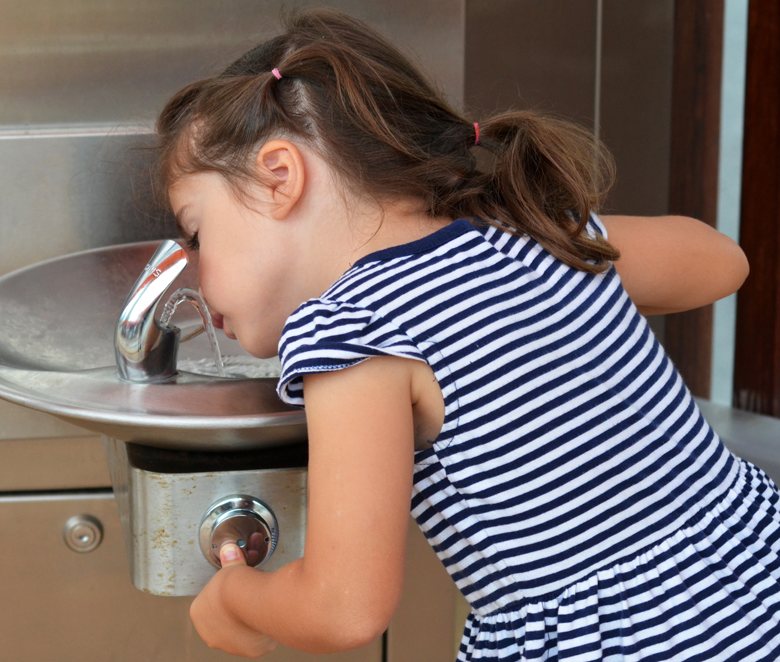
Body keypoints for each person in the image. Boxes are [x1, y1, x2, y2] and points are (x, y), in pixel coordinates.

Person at [154, 7, 779, 660]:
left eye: (197, 234)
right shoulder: (529, 235)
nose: (194, 277)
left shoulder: (352, 333)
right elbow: (721, 262)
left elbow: (342, 609)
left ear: (280, 177)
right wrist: (561, 239)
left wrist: (233, 596)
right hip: (755, 580)